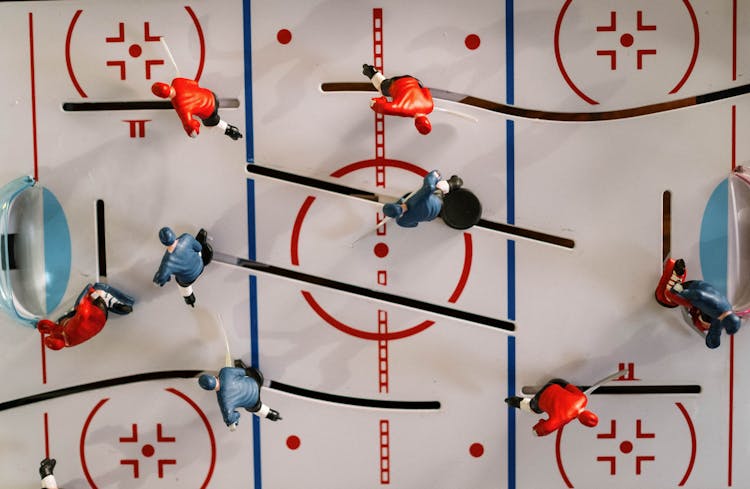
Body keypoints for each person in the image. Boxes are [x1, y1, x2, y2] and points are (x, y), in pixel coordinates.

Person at [655, 258, 741, 348]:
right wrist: (680, 291)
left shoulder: (721, 315)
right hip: (695, 290)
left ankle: (676, 283)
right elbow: (699, 295)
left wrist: (713, 340)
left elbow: (713, 339)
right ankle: (675, 286)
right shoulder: (716, 308)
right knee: (669, 294)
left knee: (672, 294)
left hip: (699, 295)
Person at [36, 283, 134, 350]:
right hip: (97, 313)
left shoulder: (65, 340)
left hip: (94, 322)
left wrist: (44, 326)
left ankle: (106, 302)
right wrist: (87, 298)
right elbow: (83, 314)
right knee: (95, 288)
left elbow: (54, 327)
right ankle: (120, 302)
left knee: (70, 313)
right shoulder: (71, 328)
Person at [199, 360, 281, 429]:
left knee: (256, 408)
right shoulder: (225, 371)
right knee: (246, 371)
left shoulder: (224, 401)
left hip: (254, 402)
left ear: (209, 389)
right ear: (212, 377)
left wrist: (235, 419)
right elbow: (244, 372)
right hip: (256, 380)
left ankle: (271, 414)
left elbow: (229, 418)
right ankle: (239, 363)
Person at [151, 78, 242, 140]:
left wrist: (194, 130)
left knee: (211, 125)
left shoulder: (181, 106)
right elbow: (195, 83)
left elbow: (190, 126)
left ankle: (231, 130)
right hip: (210, 94)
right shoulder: (177, 81)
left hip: (209, 111)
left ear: (162, 97)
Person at [505, 378, 598, 436]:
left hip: (553, 384)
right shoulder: (563, 419)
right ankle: (512, 401)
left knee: (560, 383)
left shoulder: (583, 398)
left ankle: (551, 384)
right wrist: (538, 428)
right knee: (532, 408)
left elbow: (568, 387)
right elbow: (543, 429)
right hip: (540, 398)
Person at [362, 64, 434, 135]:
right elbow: (381, 107)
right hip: (396, 82)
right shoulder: (402, 110)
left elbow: (425, 91)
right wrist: (380, 100)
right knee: (381, 87)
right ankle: (371, 71)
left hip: (415, 81)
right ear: (415, 124)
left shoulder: (430, 107)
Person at [153, 227, 212, 307]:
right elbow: (199, 248)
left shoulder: (167, 262)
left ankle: (190, 300)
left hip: (189, 279)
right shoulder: (186, 238)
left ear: (163, 242)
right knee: (197, 249)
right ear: (173, 234)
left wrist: (160, 280)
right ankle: (202, 237)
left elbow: (160, 279)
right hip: (200, 265)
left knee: (183, 286)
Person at [382, 170, 462, 228]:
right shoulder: (413, 201)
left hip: (432, 216)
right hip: (437, 201)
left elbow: (415, 224)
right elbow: (429, 187)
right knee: (440, 186)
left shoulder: (401, 222)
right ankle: (454, 183)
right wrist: (434, 175)